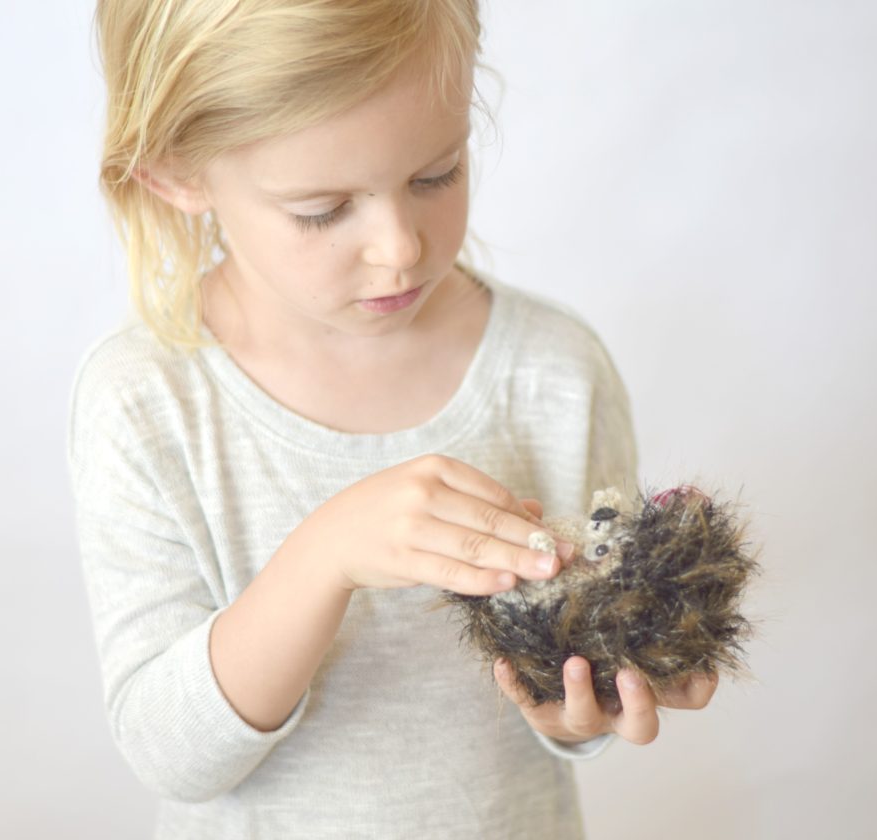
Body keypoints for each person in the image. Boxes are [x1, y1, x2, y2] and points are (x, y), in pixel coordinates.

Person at [69, 1, 718, 837]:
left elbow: (580, 673)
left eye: (435, 175)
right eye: (322, 210)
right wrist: (324, 556)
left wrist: (581, 704)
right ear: (177, 171)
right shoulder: (146, 399)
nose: (400, 246)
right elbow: (171, 755)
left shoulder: (553, 371)